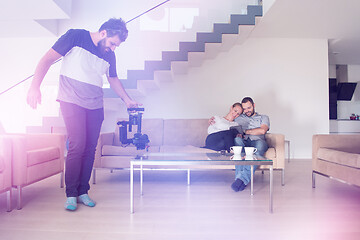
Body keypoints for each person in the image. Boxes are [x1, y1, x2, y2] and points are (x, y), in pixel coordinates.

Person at [26, 18, 140, 211]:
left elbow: (112, 79)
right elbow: (47, 59)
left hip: (95, 104)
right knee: (77, 144)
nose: (113, 48)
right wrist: (34, 87)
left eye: (117, 46)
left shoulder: (109, 55)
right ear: (103, 33)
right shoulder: (76, 36)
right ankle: (71, 194)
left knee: (90, 148)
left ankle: (83, 191)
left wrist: (127, 100)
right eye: (113, 43)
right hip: (71, 100)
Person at [231, 97, 270, 192]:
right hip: (244, 142)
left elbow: (262, 130)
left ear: (254, 105)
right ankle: (241, 181)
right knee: (237, 142)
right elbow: (226, 122)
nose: (247, 111)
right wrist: (214, 121)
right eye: (244, 109)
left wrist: (245, 131)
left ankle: (240, 180)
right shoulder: (239, 118)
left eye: (249, 108)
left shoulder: (263, 117)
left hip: (258, 142)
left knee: (260, 146)